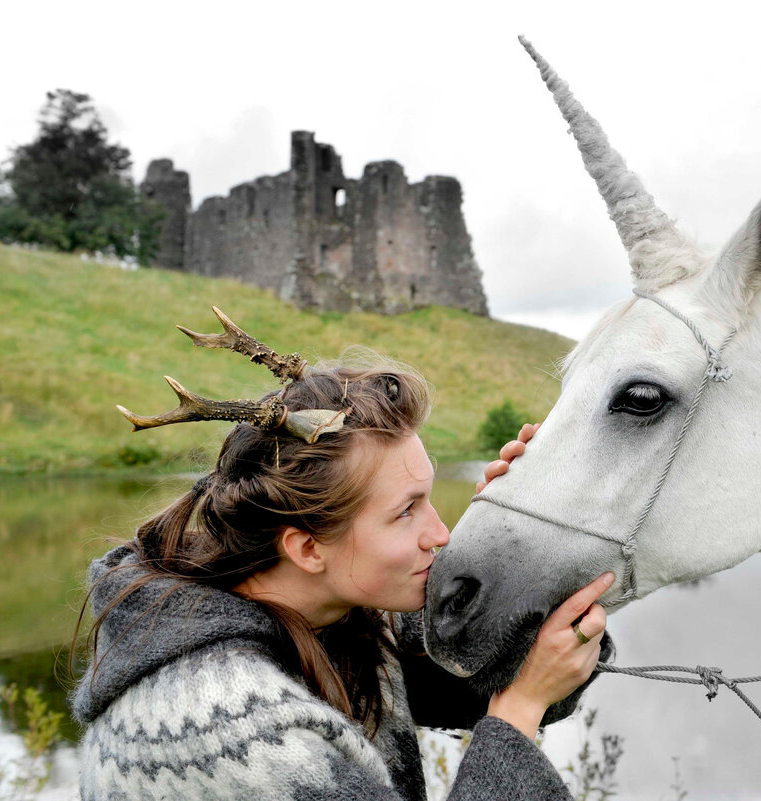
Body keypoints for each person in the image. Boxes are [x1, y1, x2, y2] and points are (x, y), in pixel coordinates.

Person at [72, 312, 610, 801]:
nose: (442, 534)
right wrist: (517, 717)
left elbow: (497, 672)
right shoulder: (230, 728)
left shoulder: (333, 619)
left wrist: (515, 534)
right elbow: (518, 696)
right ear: (307, 548)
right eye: (406, 511)